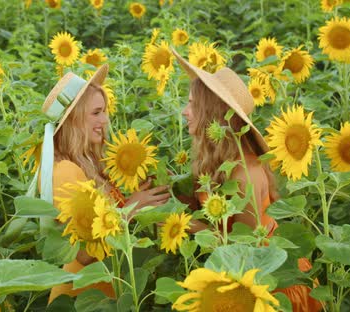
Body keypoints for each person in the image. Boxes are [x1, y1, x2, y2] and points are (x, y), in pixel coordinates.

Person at [172, 50, 323, 312]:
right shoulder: (213, 160)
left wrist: (185, 226)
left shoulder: (245, 173)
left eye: (192, 104)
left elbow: (247, 247)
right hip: (239, 277)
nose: (185, 112)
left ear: (213, 112)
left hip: (272, 281)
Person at [33, 64, 170, 303]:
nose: (105, 119)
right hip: (82, 295)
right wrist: (131, 209)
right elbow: (84, 254)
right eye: (96, 113)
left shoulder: (85, 163)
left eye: (105, 111)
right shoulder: (65, 171)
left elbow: (107, 219)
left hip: (105, 291)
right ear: (74, 118)